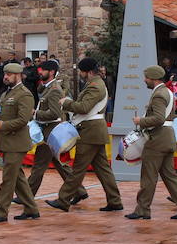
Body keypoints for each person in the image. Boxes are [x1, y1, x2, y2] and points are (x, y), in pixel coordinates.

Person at [46, 57, 123, 213]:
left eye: (81, 71)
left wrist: (66, 103)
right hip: (94, 131)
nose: (80, 74)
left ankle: (63, 200)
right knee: (103, 170)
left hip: (90, 131)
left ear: (87, 72)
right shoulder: (95, 84)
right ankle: (115, 201)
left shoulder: (95, 86)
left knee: (78, 169)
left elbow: (84, 107)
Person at [127, 65, 177, 221]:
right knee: (170, 176)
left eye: (146, 77)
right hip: (168, 138)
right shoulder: (168, 92)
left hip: (157, 139)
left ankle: (143, 209)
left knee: (148, 176)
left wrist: (140, 121)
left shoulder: (158, 95)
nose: (145, 80)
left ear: (153, 78)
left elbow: (158, 118)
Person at [0, 62, 38, 222]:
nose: (5, 77)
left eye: (8, 75)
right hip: (7, 141)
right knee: (18, 178)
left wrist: (4, 125)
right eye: (5, 74)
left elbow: (23, 119)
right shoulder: (6, 94)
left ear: (17, 75)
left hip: (17, 142)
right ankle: (31, 209)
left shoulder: (24, 94)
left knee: (8, 179)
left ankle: (1, 212)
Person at [26, 59, 75, 196]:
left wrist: (35, 113)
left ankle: (28, 194)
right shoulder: (48, 87)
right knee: (59, 163)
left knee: (39, 164)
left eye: (43, 70)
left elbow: (55, 113)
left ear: (52, 72)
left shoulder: (54, 90)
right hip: (49, 130)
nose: (40, 72)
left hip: (51, 131)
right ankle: (78, 190)